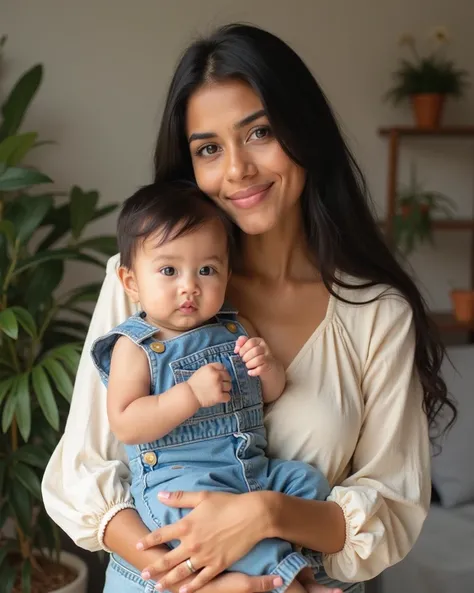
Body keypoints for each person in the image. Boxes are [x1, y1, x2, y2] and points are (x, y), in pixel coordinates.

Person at [42, 23, 456, 593]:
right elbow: (84, 470)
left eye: (258, 133)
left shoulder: (377, 314)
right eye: (208, 148)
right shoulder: (144, 284)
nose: (236, 169)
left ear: (303, 133)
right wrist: (189, 575)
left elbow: (393, 507)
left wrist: (263, 516)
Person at [91, 181, 334, 593]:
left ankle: (304, 571)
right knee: (232, 526)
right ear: (131, 282)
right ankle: (291, 585)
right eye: (169, 271)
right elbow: (127, 424)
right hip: (180, 482)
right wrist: (188, 395)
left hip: (251, 471)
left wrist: (266, 367)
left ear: (226, 272)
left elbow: (268, 394)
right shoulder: (137, 346)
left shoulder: (235, 327)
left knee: (307, 484)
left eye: (207, 270)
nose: (190, 286)